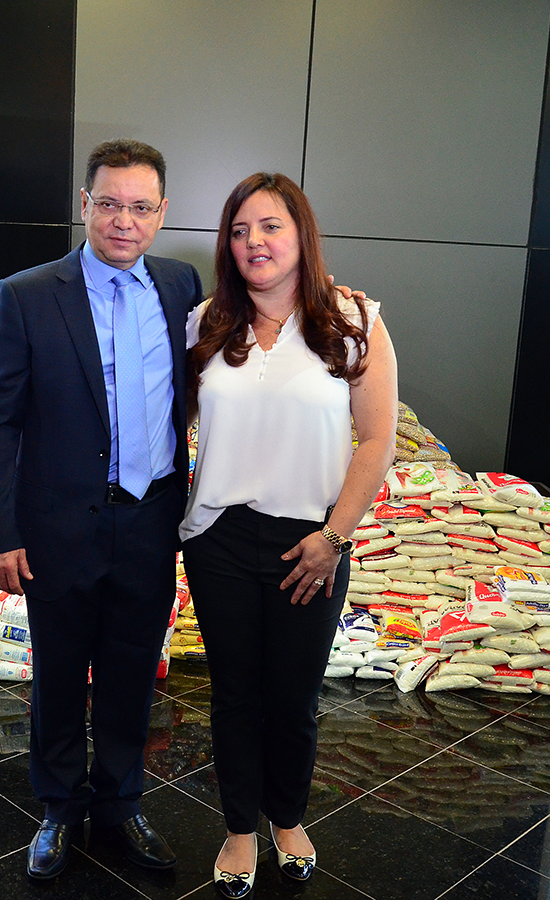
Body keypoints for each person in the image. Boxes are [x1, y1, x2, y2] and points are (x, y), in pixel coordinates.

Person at [0, 139, 203, 880]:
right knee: (61, 674)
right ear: (84, 204)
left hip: (149, 518)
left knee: (134, 672)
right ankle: (59, 808)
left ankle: (122, 803)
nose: (123, 221)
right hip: (60, 524)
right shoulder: (29, 294)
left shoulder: (180, 285)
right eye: (108, 204)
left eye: (140, 207)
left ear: (160, 213)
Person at [180, 172, 398, 897]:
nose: (254, 242)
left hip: (312, 541)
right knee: (235, 694)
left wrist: (333, 537)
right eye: (240, 230)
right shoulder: (207, 322)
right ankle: (240, 828)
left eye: (270, 226)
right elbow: (169, 422)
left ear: (302, 234)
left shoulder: (354, 319)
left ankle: (289, 818)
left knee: (294, 695)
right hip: (217, 537)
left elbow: (376, 440)